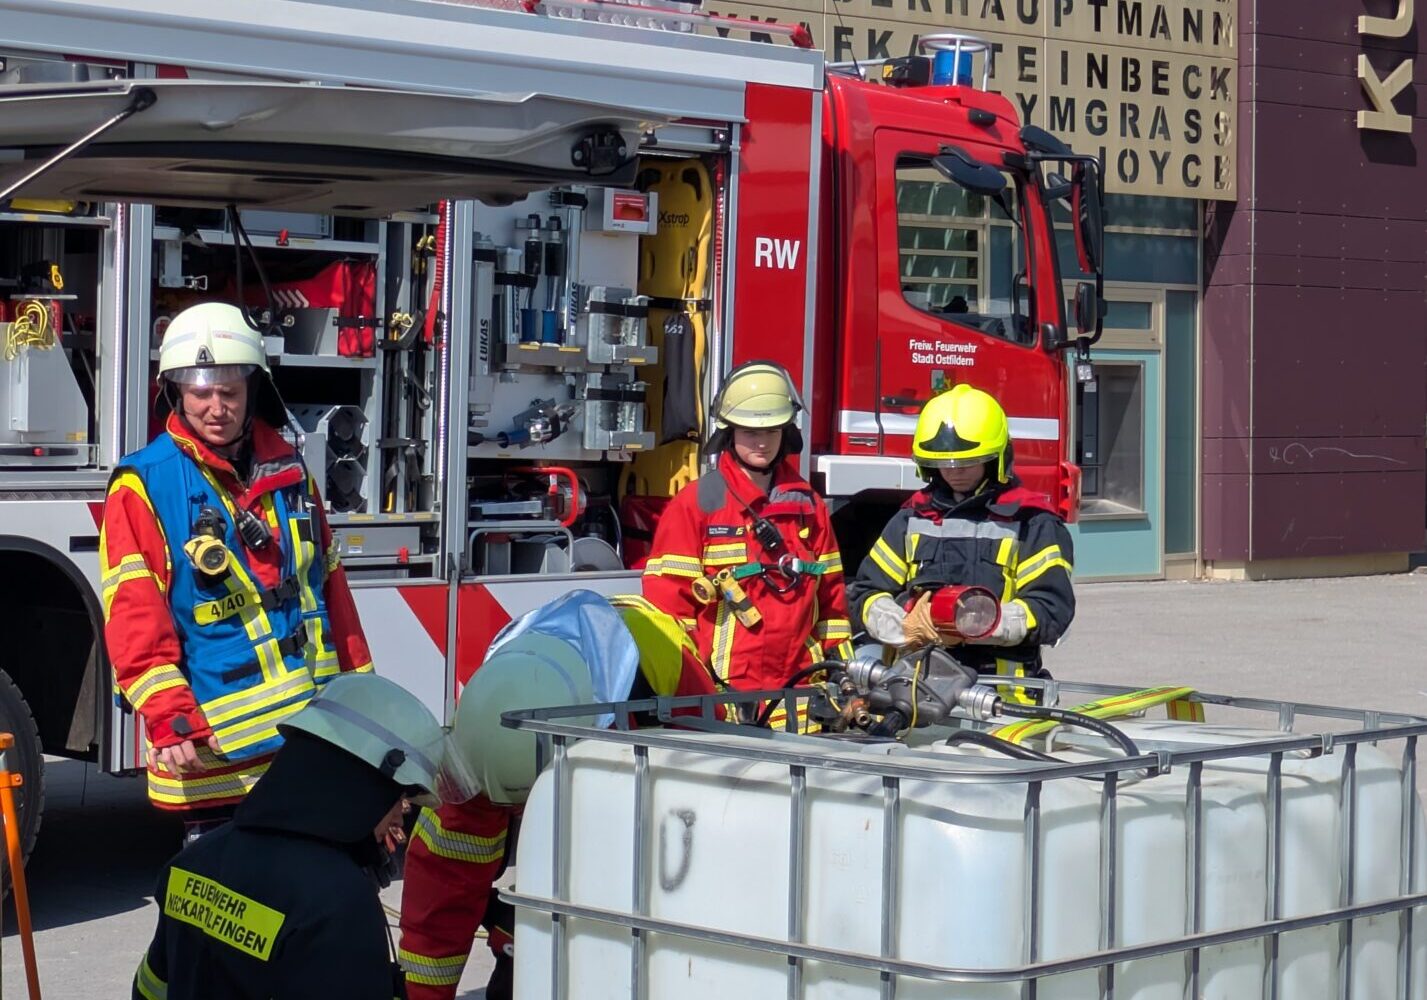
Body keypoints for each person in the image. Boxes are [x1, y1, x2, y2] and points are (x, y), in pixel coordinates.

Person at [100, 301, 374, 842]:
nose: (216, 407)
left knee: (314, 888)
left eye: (229, 392)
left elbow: (330, 593)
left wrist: (364, 708)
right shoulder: (145, 485)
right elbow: (135, 616)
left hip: (305, 739)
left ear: (254, 390)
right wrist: (170, 715)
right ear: (175, 392)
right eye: (200, 393)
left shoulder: (291, 472)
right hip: (213, 756)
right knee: (222, 894)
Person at [131, 673, 466, 1000]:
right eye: (397, 797)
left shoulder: (191, 862)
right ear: (363, 787)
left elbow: (151, 988)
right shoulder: (339, 902)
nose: (399, 814)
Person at [642, 360, 854, 727]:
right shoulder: (697, 504)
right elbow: (669, 612)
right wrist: (692, 691)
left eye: (772, 431)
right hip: (723, 702)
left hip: (799, 700)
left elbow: (832, 606)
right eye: (750, 431)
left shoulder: (809, 508)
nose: (762, 442)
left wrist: (844, 675)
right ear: (729, 431)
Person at [847, 384, 1074, 695]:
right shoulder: (912, 518)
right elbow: (865, 595)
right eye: (944, 463)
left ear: (996, 458)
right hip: (915, 692)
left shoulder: (1031, 522)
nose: (954, 472)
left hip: (1003, 696)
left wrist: (976, 623)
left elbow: (1051, 610)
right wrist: (903, 625)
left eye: (967, 462)